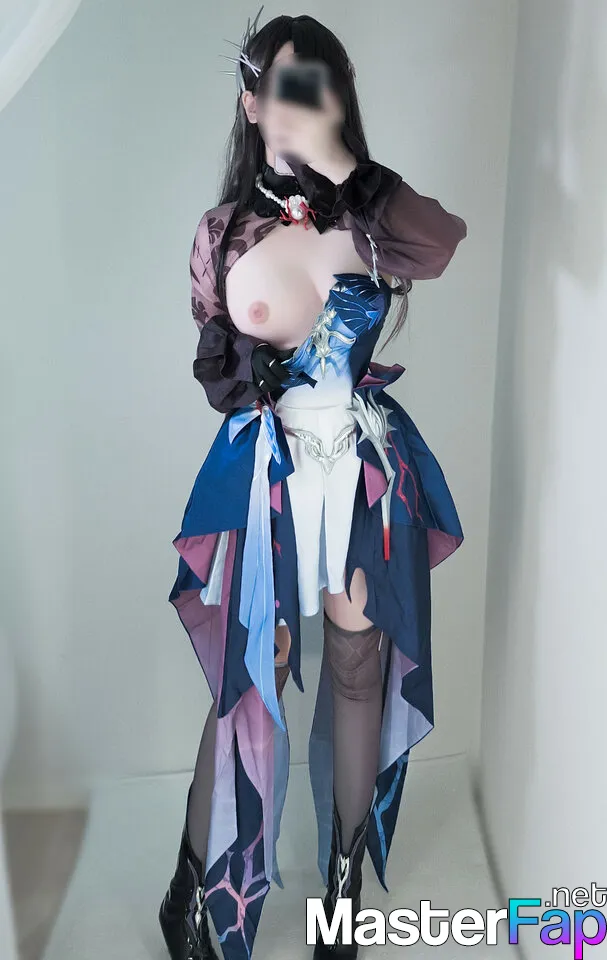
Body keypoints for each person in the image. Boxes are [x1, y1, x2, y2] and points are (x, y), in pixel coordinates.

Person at [159, 9, 467, 960]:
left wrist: (341, 165)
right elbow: (216, 367)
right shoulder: (222, 234)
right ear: (250, 102)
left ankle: (343, 890)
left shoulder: (372, 215)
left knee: (357, 663)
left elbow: (440, 244)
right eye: (284, 87)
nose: (300, 104)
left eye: (318, 87)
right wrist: (254, 377)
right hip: (270, 476)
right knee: (250, 674)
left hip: (363, 470)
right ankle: (196, 886)